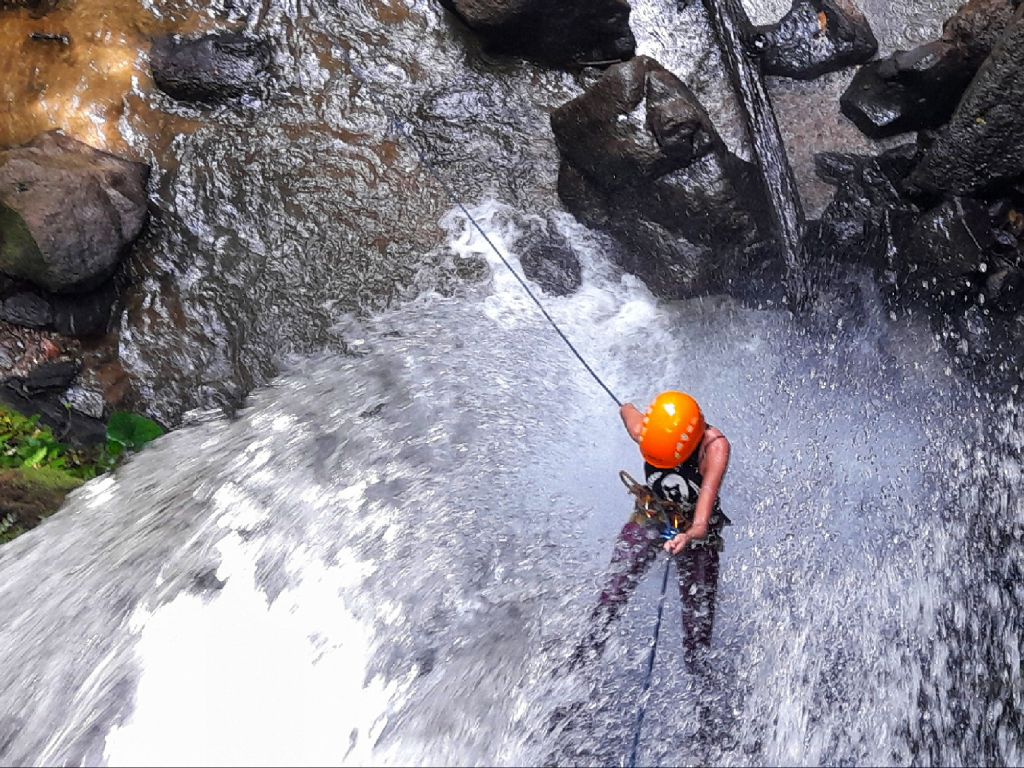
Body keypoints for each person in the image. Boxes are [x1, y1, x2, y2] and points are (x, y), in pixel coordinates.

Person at [572, 390, 731, 672]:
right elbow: (627, 412)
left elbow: (701, 521)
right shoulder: (646, 432)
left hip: (695, 531)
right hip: (653, 513)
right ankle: (579, 667)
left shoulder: (714, 449)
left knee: (697, 637)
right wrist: (627, 407)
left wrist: (688, 535)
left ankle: (705, 697)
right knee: (611, 596)